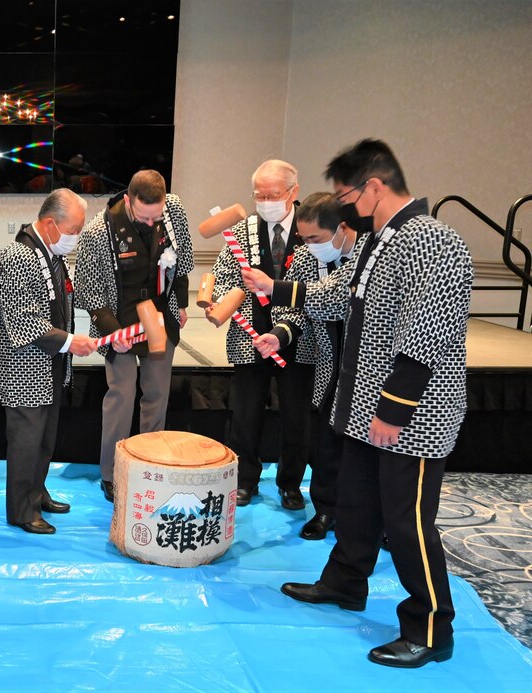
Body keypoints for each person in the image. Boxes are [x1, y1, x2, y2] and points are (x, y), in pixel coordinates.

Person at [252, 139, 472, 668]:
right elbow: (341, 296)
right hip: (362, 407)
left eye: (347, 194)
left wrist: (393, 410)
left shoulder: (433, 240)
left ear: (374, 187)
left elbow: (428, 332)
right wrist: (280, 289)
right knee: (356, 503)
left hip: (411, 416)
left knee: (407, 521)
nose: (344, 205)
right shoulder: (381, 240)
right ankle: (345, 583)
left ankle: (429, 628)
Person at [74, 169, 194, 502]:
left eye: (156, 216)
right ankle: (111, 473)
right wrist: (113, 332)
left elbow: (181, 259)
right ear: (128, 200)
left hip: (159, 313)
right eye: (143, 216)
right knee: (122, 394)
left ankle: (149, 463)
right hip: (119, 315)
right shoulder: (100, 230)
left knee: (157, 392)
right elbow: (87, 288)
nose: (150, 222)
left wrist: (181, 304)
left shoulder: (174, 210)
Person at [252, 192, 363, 539]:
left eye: (316, 238)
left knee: (367, 451)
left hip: (369, 364)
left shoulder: (369, 257)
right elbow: (296, 309)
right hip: (330, 363)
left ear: (342, 228)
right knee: (326, 443)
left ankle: (375, 519)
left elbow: (333, 299)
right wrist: (280, 335)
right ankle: (325, 510)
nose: (310, 245)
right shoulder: (304, 257)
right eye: (304, 239)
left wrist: (274, 287)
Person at [207, 159, 314, 510]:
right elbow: (223, 277)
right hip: (248, 335)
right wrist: (224, 301)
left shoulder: (310, 230)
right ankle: (244, 481)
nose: (265, 200)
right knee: (246, 413)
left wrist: (283, 330)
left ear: (293, 192)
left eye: (273, 194)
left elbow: (314, 287)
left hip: (297, 340)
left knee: (296, 416)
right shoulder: (242, 231)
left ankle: (290, 484)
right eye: (259, 194)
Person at [0, 189, 97, 534]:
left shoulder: (51, 252)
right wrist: (71, 341)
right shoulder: (19, 256)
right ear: (52, 224)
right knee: (26, 441)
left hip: (50, 363)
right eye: (75, 229)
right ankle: (21, 510)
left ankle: (37, 492)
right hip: (24, 367)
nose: (76, 237)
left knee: (44, 438)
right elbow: (22, 319)